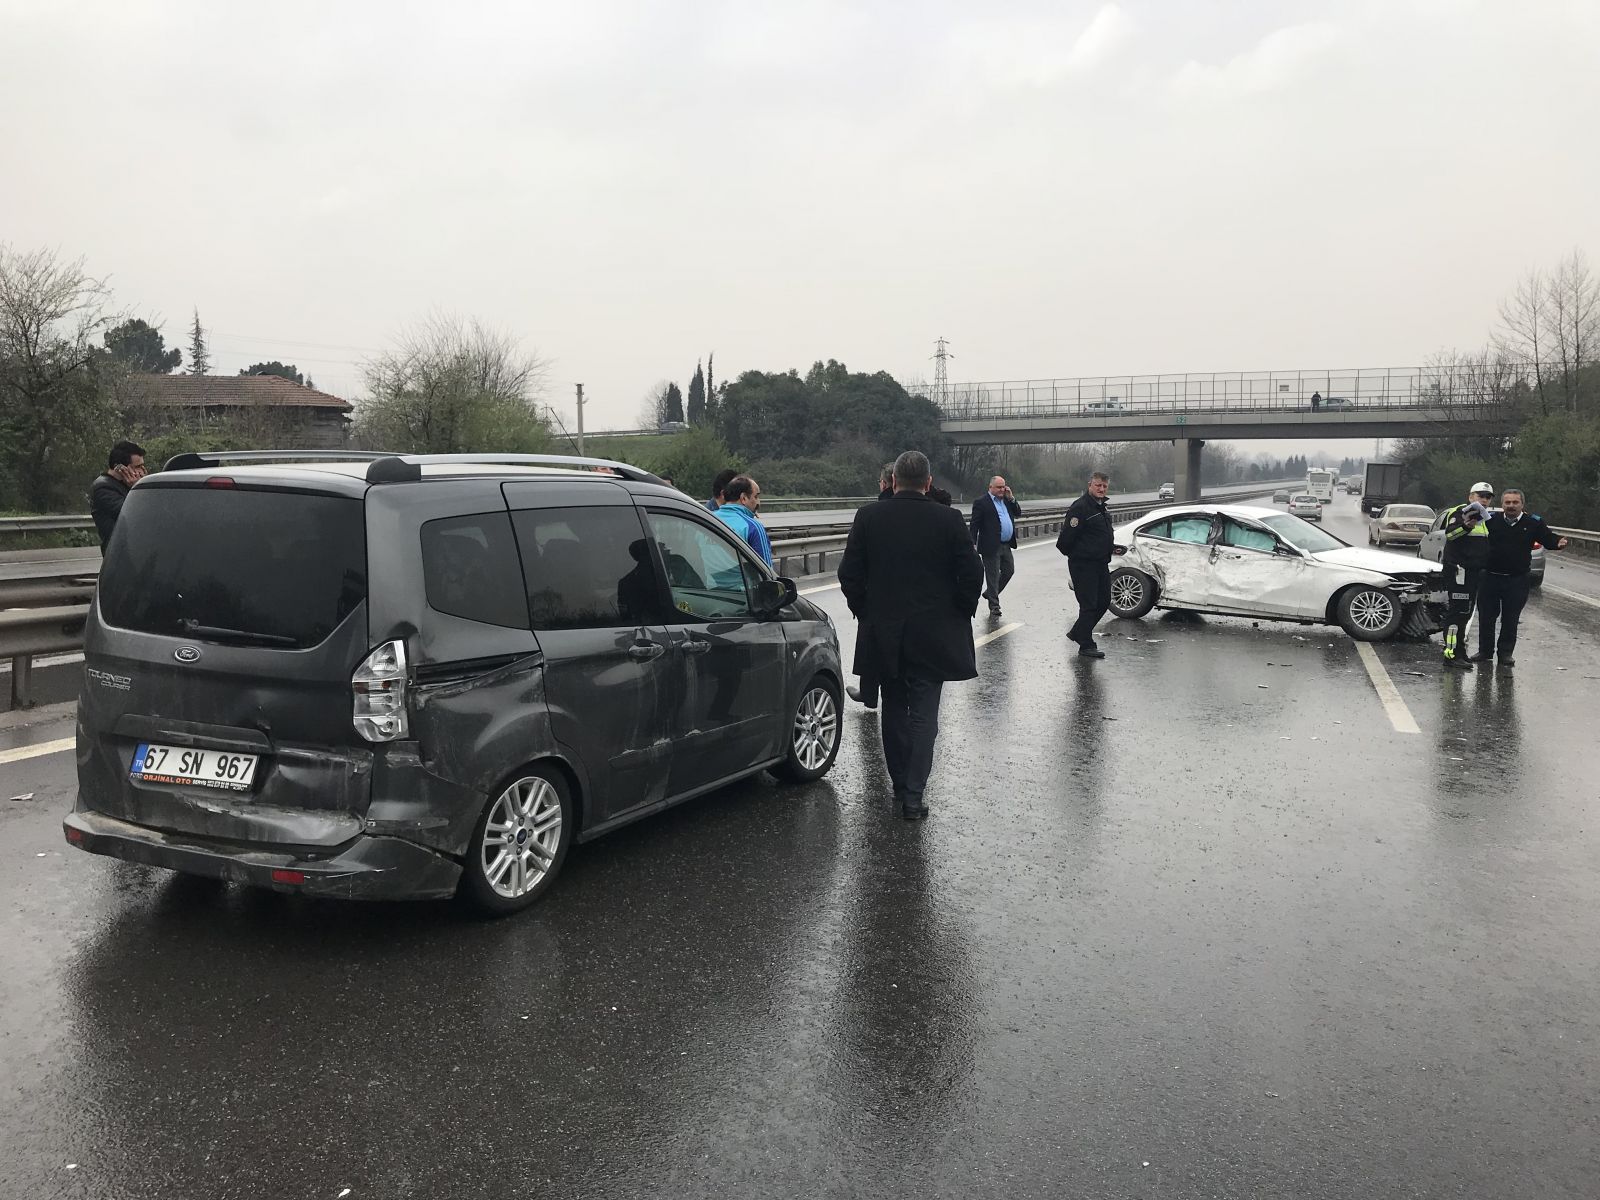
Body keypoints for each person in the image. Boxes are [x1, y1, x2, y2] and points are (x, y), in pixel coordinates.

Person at [838, 450, 983, 820]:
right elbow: (971, 574)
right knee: (923, 717)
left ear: (894, 480)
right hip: (934, 634)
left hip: (884, 632)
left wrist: (865, 610)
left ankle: (900, 785)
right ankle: (914, 797)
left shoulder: (869, 516)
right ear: (929, 483)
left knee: (893, 712)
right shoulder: (949, 520)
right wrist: (958, 613)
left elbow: (849, 573)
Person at [1476, 488, 1570, 667]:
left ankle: (1505, 654)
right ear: (1502, 504)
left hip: (1517, 579)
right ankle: (1485, 652)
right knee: (1487, 617)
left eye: (1515, 502)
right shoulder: (1490, 521)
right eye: (1507, 502)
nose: (1511, 506)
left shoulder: (1533, 523)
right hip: (1490, 578)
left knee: (1510, 618)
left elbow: (1548, 538)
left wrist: (1558, 543)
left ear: (1522, 504)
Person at [847, 467, 901, 709]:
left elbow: (850, 568)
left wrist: (858, 603)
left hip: (875, 600)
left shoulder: (869, 514)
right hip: (914, 602)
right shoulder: (928, 511)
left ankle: (869, 695)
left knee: (871, 648)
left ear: (886, 484)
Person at [1055, 471, 1123, 658]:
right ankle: (1086, 644)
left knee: (1104, 601)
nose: (1101, 489)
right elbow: (1064, 542)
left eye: (1104, 486)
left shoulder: (1101, 508)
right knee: (1089, 605)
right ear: (1089, 485)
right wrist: (1081, 555)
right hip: (1084, 565)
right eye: (1098, 485)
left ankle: (1078, 631)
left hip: (1101, 563)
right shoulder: (1080, 508)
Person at [1438, 482, 1493, 670]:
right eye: (1480, 495)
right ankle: (1451, 654)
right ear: (1471, 497)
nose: (1484, 499)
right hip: (1458, 572)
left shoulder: (1485, 519)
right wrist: (1467, 526)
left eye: (1488, 496)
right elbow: (1451, 535)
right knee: (1457, 614)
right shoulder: (1459, 512)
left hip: (1473, 574)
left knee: (1465, 614)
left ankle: (1460, 652)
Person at [970, 475, 1022, 617]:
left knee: (1009, 571)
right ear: (990, 487)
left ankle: (990, 593)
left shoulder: (1006, 500)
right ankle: (994, 605)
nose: (1002, 489)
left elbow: (1018, 513)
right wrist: (972, 543)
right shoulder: (981, 502)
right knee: (992, 576)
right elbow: (974, 525)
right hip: (990, 545)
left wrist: (1012, 498)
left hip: (1006, 544)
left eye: (1003, 486)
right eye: (999, 487)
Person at [90, 440, 146, 552]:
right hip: (119, 553)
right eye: (137, 467)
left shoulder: (126, 484)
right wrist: (138, 488)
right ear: (119, 467)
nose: (141, 471)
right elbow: (133, 515)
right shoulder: (103, 488)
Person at [713, 475, 772, 566]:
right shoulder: (753, 527)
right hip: (740, 580)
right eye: (756, 497)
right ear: (743, 498)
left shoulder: (708, 519)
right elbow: (766, 571)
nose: (758, 502)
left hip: (709, 580)